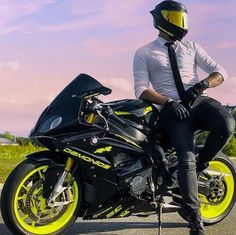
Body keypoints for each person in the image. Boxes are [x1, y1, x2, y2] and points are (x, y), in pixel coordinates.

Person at [133, 1, 235, 235]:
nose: (181, 25)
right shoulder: (145, 52)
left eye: (182, 19)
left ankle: (202, 164)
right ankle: (195, 218)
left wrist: (201, 85)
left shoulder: (191, 47)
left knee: (227, 124)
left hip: (199, 101)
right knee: (185, 157)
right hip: (171, 109)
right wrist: (167, 102)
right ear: (160, 19)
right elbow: (140, 90)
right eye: (175, 18)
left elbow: (221, 73)